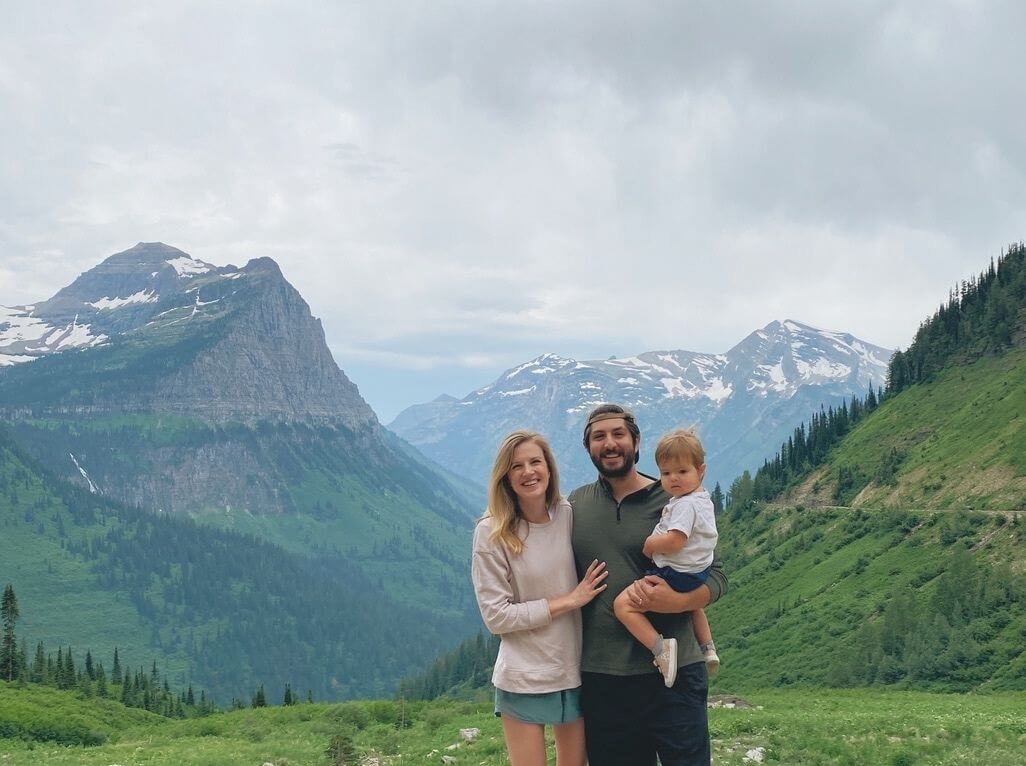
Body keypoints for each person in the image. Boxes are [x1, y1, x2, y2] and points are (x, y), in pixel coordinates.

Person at [569, 404, 728, 766]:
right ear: (589, 448)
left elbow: (717, 575)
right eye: (599, 437)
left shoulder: (676, 498)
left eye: (618, 434)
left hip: (676, 676)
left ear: (636, 443)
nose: (610, 444)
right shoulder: (575, 505)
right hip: (603, 676)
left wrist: (678, 601)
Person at [471, 429, 608, 766]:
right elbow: (496, 617)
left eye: (535, 462)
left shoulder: (568, 514)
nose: (528, 472)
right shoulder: (491, 531)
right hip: (523, 676)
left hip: (572, 670)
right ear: (505, 475)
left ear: (549, 468)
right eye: (517, 466)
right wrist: (569, 601)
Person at [612, 428, 720, 687]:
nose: (673, 479)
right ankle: (708, 647)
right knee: (694, 605)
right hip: (696, 572)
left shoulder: (684, 505)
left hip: (673, 574)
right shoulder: (702, 499)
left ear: (700, 471)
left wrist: (650, 545)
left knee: (622, 606)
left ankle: (660, 648)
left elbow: (675, 541)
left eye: (682, 472)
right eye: (666, 473)